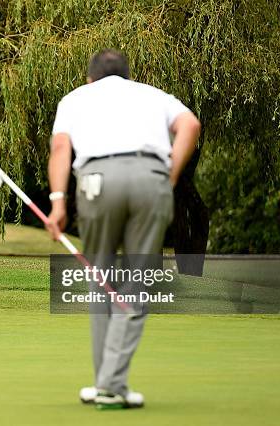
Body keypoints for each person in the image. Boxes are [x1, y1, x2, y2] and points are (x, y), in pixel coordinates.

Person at [46, 49, 200, 408]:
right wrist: (169, 176)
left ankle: (107, 383)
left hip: (96, 180)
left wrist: (57, 202)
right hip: (150, 179)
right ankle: (111, 384)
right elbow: (190, 125)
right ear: (128, 76)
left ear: (90, 78)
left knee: (100, 278)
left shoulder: (75, 97)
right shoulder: (152, 94)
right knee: (136, 280)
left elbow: (60, 147)